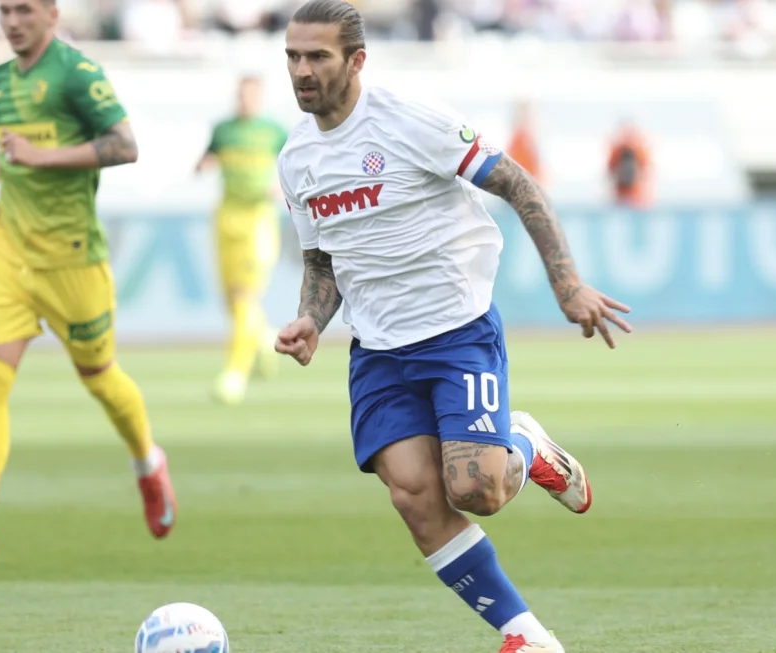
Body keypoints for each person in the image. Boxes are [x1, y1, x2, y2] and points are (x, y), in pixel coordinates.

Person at [272, 2, 633, 652]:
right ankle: (527, 637)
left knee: (476, 490)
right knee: (414, 496)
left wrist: (567, 284)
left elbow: (519, 185)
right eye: (293, 57)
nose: (302, 70)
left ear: (355, 60)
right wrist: (309, 317)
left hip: (454, 332)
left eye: (316, 56)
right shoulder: (296, 158)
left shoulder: (410, 119)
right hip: (378, 350)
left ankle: (523, 444)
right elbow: (321, 259)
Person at [0, 0, 178, 565]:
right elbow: (15, 150)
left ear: (52, 14)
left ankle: (147, 462)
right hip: (8, 250)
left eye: (25, 10)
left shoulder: (77, 73)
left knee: (100, 379)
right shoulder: (1, 78)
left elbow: (124, 145)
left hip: (71, 260)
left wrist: (43, 156)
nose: (13, 21)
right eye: (5, 10)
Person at [194, 74, 290, 405]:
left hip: (258, 222)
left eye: (250, 95)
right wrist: (203, 165)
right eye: (240, 95)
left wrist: (283, 188)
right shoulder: (224, 131)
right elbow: (205, 159)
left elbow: (298, 163)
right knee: (232, 302)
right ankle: (264, 339)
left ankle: (235, 374)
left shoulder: (274, 131)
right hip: (226, 220)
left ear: (260, 98)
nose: (244, 101)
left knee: (245, 297)